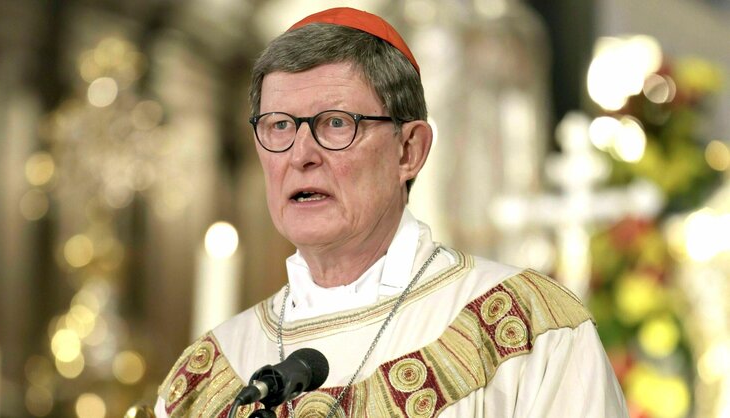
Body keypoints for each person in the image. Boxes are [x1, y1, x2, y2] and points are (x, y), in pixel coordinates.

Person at [155, 7, 627, 418]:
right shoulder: (207, 377)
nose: (300, 154)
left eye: (335, 124)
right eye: (279, 126)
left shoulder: (530, 332)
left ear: (409, 150)